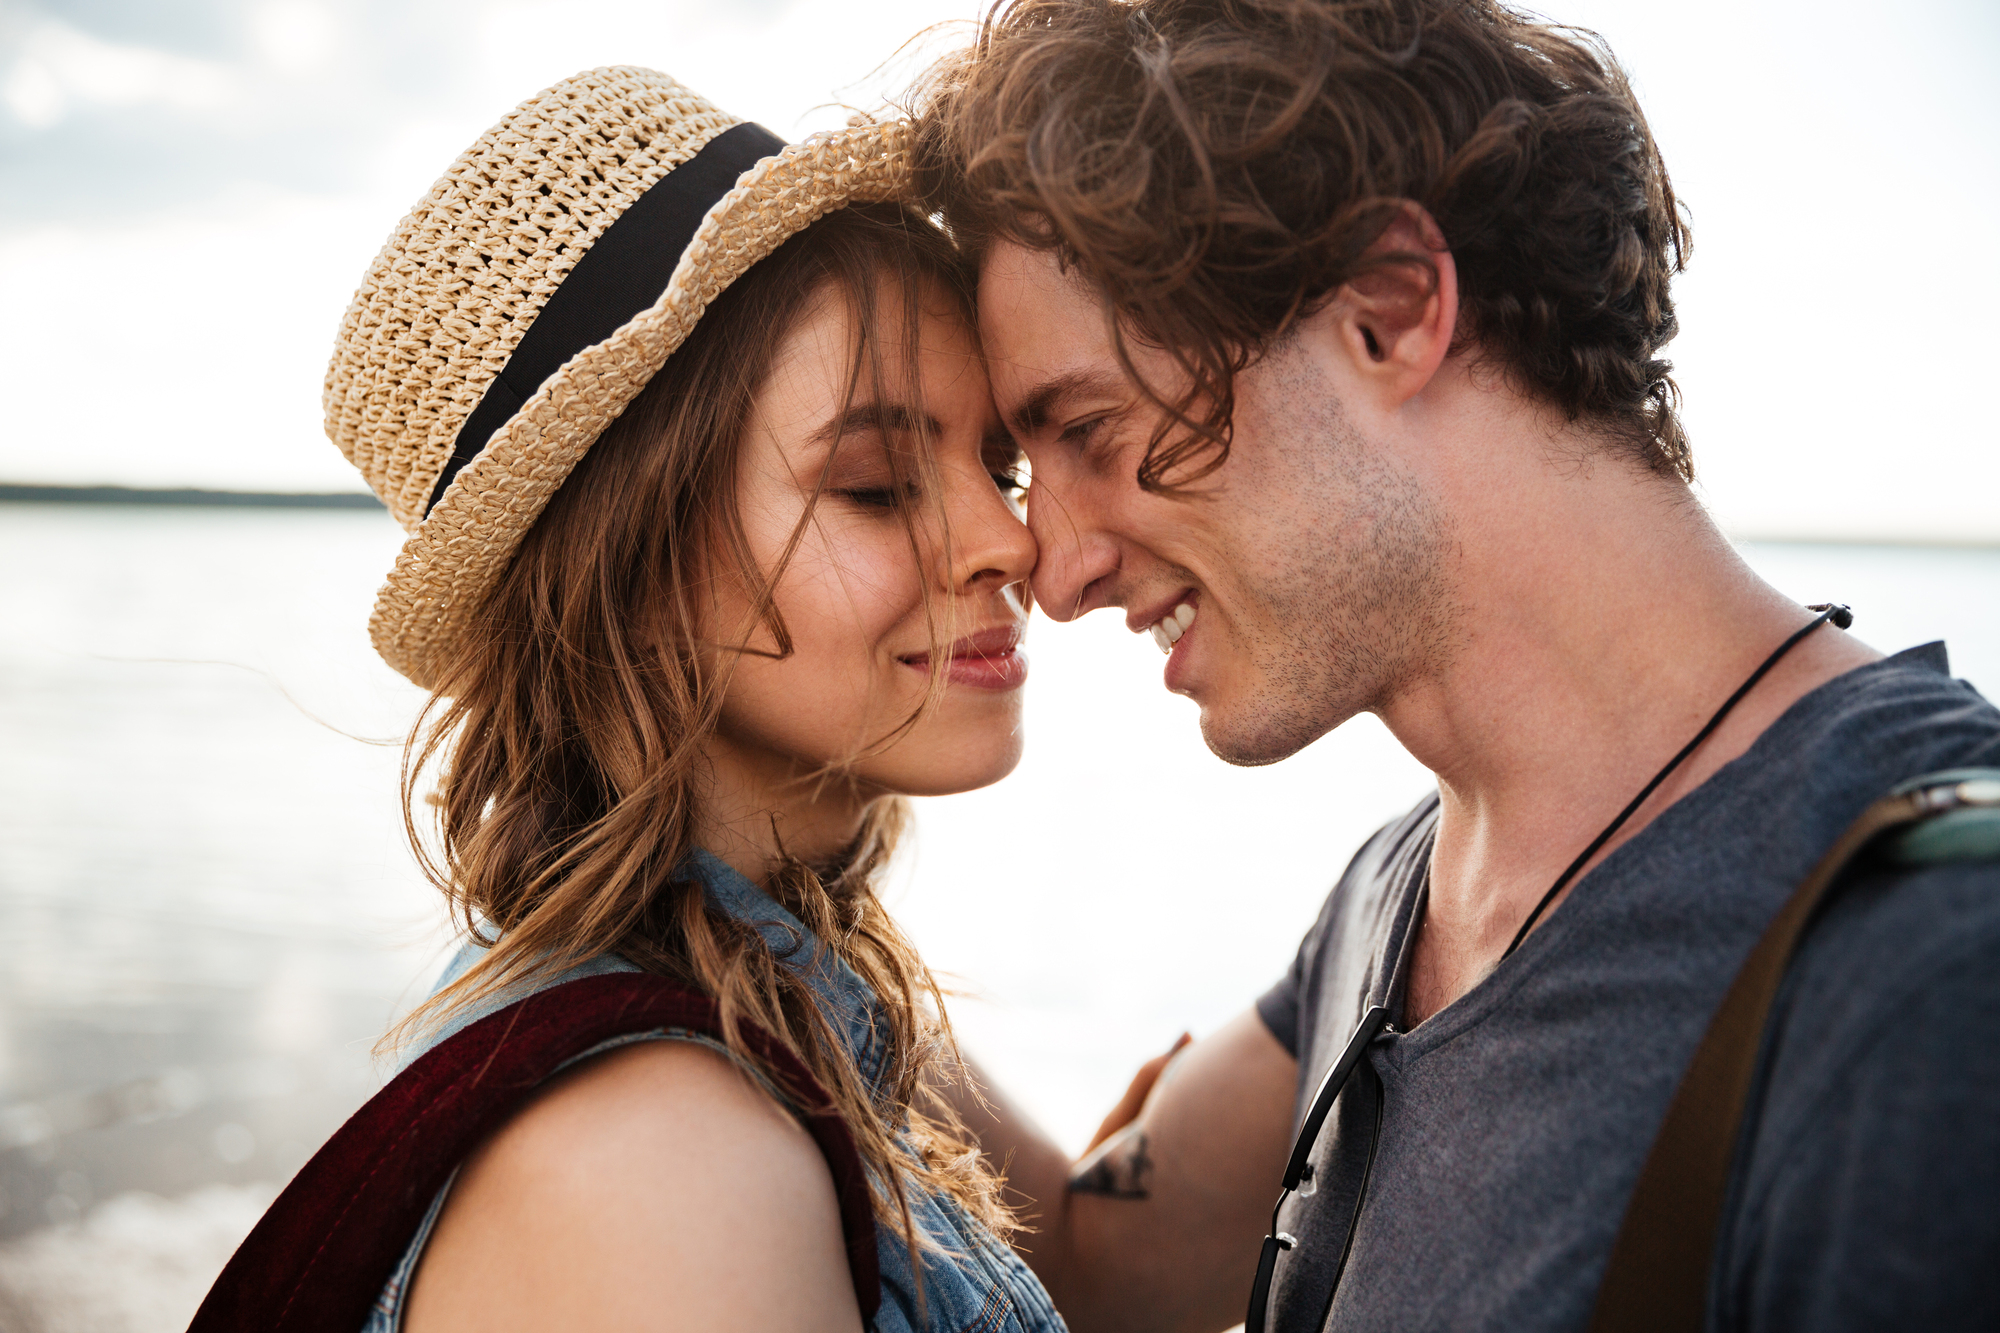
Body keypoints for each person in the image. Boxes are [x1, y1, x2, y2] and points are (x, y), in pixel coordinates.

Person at [903, 2, 2000, 1331]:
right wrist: (750, 866)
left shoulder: (1932, 973)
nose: (1057, 571)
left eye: (1091, 427)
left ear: (1393, 307)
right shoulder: (1400, 893)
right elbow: (1101, 1262)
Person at [192, 68, 1066, 1333]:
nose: (1009, 540)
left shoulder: (769, 979)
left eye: (998, 463)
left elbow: (1109, 1244)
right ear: (633, 575)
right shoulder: (666, 1165)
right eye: (877, 486)